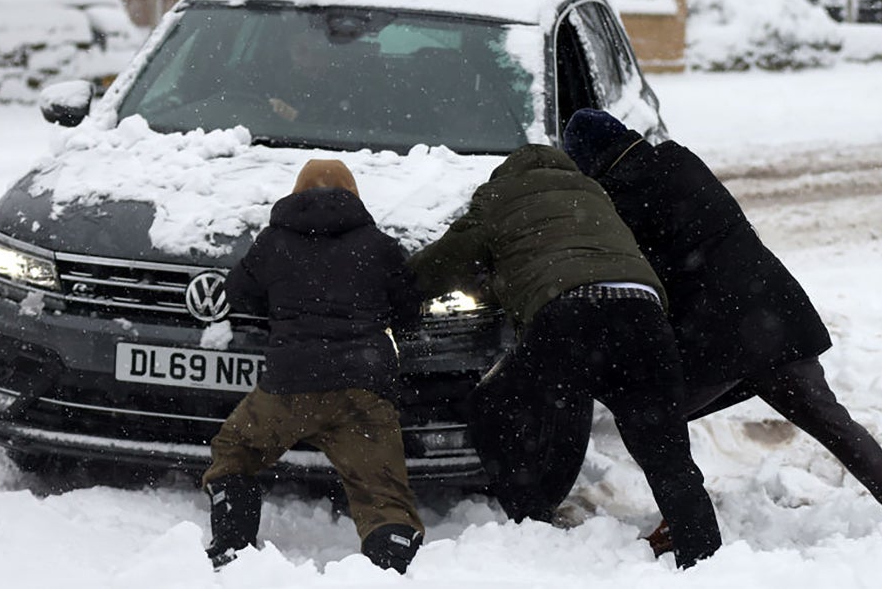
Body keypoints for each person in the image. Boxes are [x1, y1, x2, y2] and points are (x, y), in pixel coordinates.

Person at [561, 108, 882, 556]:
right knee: (832, 422)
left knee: (648, 417)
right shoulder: (680, 159)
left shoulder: (619, 200)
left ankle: (683, 521)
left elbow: (636, 273)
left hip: (720, 339)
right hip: (776, 313)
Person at [408, 144, 722, 569]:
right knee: (665, 451)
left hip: (572, 314)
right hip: (644, 313)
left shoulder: (500, 195)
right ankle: (705, 557)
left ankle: (531, 523)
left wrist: (394, 289)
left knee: (493, 407)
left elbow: (444, 262)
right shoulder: (591, 191)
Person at [200, 158, 425, 573]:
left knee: (235, 451)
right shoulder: (379, 245)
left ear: (296, 193)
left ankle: (233, 543)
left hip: (288, 386)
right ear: (354, 195)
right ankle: (390, 557)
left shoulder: (273, 242)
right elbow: (410, 310)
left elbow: (239, 294)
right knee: (382, 492)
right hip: (363, 385)